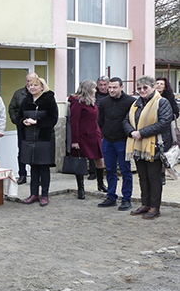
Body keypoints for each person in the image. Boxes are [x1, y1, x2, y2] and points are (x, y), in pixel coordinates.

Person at [123, 75, 173, 220]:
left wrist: (142, 133)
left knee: (154, 177)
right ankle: (145, 204)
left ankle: (154, 207)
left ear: (152, 87)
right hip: (138, 145)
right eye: (139, 88)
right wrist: (132, 132)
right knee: (143, 177)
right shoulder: (136, 104)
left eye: (145, 87)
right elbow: (126, 120)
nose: (142, 90)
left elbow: (163, 122)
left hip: (155, 146)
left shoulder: (161, 102)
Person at [17, 77, 58, 207]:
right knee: (33, 167)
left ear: (42, 87)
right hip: (29, 138)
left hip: (44, 139)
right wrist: (23, 121)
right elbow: (18, 117)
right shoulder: (26, 100)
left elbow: (53, 119)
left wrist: (37, 122)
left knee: (44, 168)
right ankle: (33, 194)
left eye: (35, 85)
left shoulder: (49, 100)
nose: (32, 87)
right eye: (31, 85)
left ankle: (45, 195)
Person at [97, 77, 135, 211]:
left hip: (123, 141)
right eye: (110, 87)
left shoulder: (130, 102)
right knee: (110, 170)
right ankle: (111, 196)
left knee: (125, 171)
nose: (111, 90)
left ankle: (126, 199)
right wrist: (105, 133)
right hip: (108, 141)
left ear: (121, 87)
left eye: (114, 87)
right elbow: (100, 120)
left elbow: (133, 121)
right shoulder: (104, 102)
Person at [69, 79, 107, 197]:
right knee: (80, 161)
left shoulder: (91, 101)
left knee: (99, 159)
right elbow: (74, 122)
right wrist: (75, 141)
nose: (96, 90)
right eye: (94, 88)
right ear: (88, 89)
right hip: (82, 136)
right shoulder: (77, 102)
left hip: (94, 134)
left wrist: (99, 133)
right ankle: (81, 188)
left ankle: (100, 184)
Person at [9, 72, 39, 184]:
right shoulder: (19, 94)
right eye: (28, 81)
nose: (29, 83)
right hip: (23, 128)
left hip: (37, 128)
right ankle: (22, 174)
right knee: (22, 151)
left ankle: (37, 176)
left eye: (32, 81)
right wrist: (17, 121)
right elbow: (12, 109)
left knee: (36, 152)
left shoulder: (42, 94)